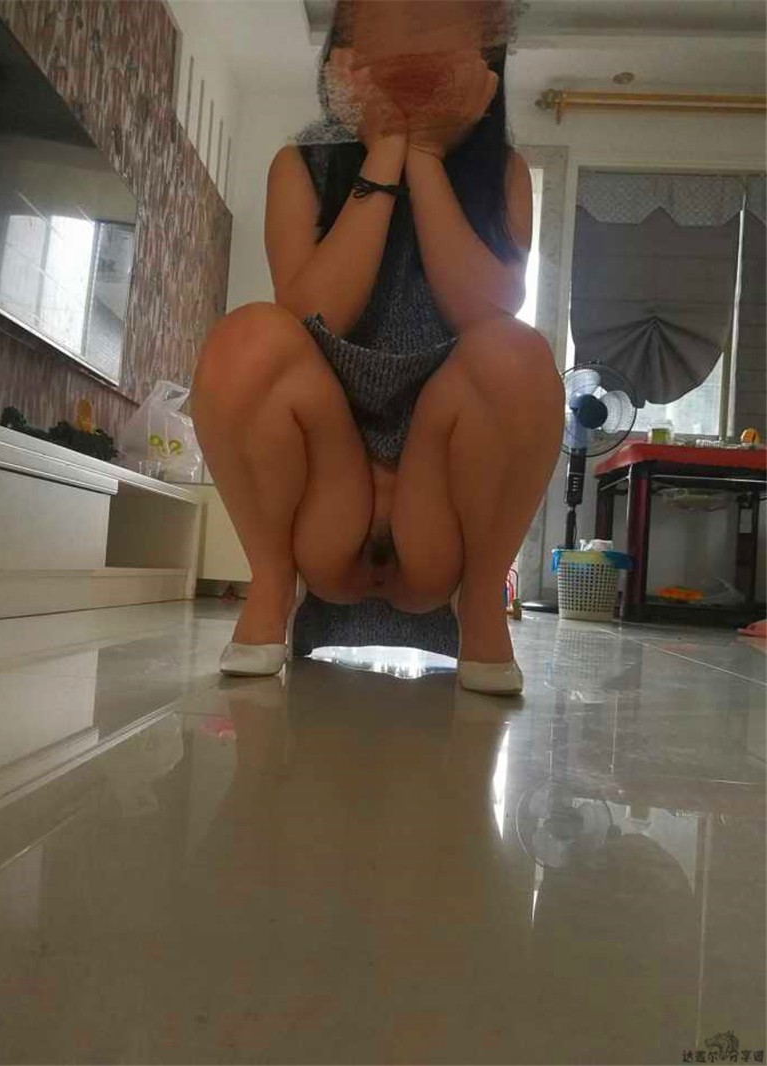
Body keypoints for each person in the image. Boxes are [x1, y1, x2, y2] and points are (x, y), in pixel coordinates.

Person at [191, 0, 564, 693]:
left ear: (483, 64)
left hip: (439, 521)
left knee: (516, 351)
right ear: (345, 58)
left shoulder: (503, 173)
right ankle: (272, 585)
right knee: (249, 336)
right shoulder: (300, 166)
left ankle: (482, 601)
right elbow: (313, 315)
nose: (412, 56)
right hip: (327, 506)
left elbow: (487, 315)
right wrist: (386, 148)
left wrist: (426, 155)